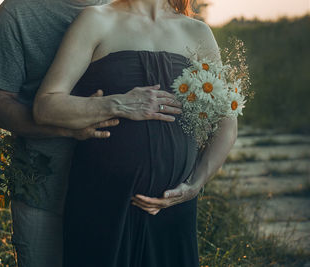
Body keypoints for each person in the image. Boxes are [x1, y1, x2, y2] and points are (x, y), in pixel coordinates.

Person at [32, 0, 238, 266]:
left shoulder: (197, 32)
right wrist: (116, 104)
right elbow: (45, 106)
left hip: (173, 210)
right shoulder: (95, 20)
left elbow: (226, 122)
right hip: (102, 206)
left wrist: (196, 184)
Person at [0, 0, 183, 266]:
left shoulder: (127, 5)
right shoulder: (17, 11)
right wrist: (63, 127)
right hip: (46, 193)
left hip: (116, 198)